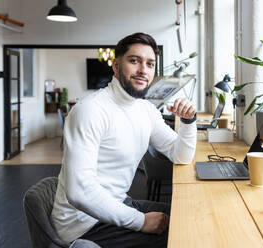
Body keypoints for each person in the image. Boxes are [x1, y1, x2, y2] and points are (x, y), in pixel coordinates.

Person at [50, 32, 197, 247]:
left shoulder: (145, 109)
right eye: (134, 61)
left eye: (149, 63)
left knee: (191, 218)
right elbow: (79, 192)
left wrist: (188, 121)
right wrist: (140, 221)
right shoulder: (90, 110)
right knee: (184, 238)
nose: (142, 70)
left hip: (116, 203)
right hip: (82, 224)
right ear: (116, 66)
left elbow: (180, 155)